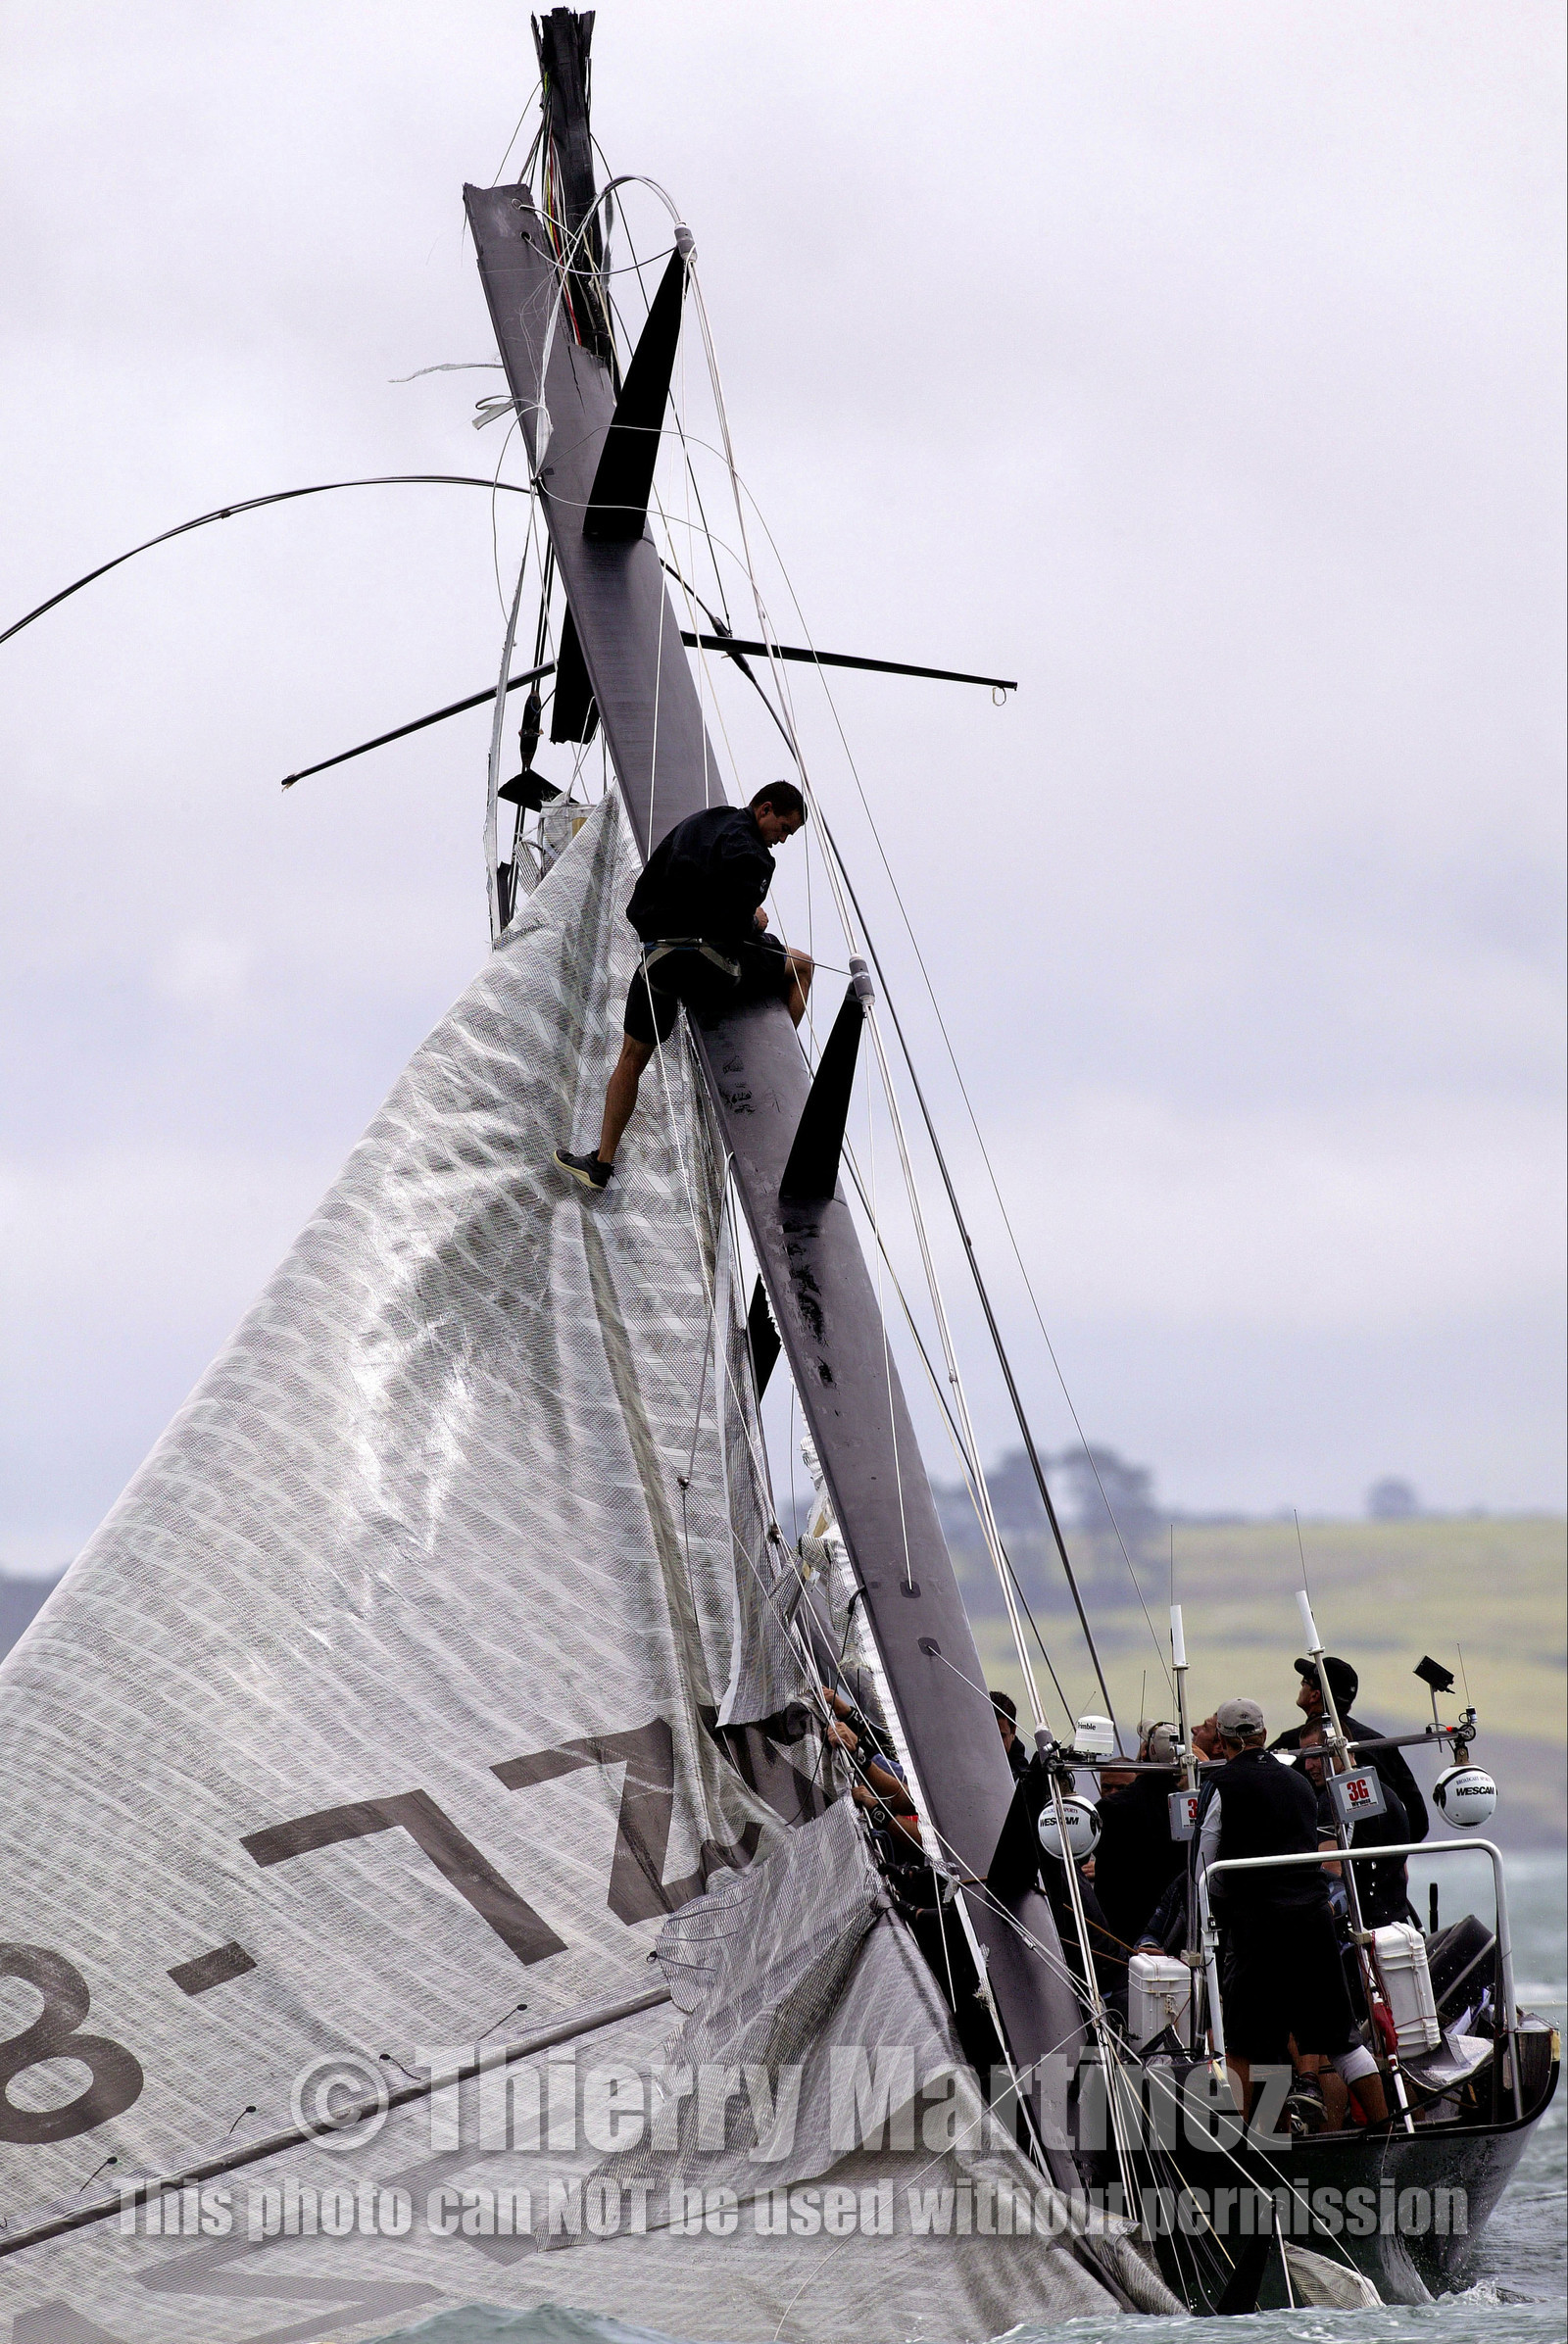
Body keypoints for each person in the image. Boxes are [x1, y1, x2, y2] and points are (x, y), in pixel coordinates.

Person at [555, 782, 814, 1190]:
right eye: (783, 828)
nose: (781, 840)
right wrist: (756, 924)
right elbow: (731, 928)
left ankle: (601, 1163)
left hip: (656, 961)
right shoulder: (753, 854)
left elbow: (649, 891)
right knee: (802, 965)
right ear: (765, 810)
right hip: (705, 965)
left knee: (631, 1057)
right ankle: (778, 1077)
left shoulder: (702, 822)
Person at [1199, 1696, 1382, 2130]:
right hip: (1312, 1921)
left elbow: (1206, 1865)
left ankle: (1239, 2142)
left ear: (1223, 1742)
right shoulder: (1299, 1783)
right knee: (1341, 2038)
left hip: (1256, 1926)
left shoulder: (1222, 1784)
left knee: (1244, 2042)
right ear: (1263, 1734)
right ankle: (1390, 2130)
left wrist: (1217, 1903)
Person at [1269, 1655, 1429, 1841]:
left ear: (1315, 1695)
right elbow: (1417, 1820)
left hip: (1321, 1862)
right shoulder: (1378, 1743)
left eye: (1304, 1682)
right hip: (1382, 1864)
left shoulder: (1291, 1745)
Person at [1298, 1719, 1413, 1930]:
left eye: (1315, 1755)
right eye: (1305, 1757)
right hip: (1398, 1924)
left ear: (1338, 1748)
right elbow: (1403, 1871)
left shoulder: (1332, 1797)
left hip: (1359, 1931)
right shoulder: (1389, 1794)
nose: (1307, 1766)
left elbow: (1331, 1871)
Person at [1093, 1722, 1187, 1958]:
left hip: (1119, 1937)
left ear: (1145, 1752)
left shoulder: (1110, 1808)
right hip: (1174, 1936)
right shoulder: (1189, 1808)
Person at [991, 1689, 1030, 1782]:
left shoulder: (1022, 1779)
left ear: (1013, 1731)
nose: (994, 1744)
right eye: (988, 1736)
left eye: (1001, 1736)